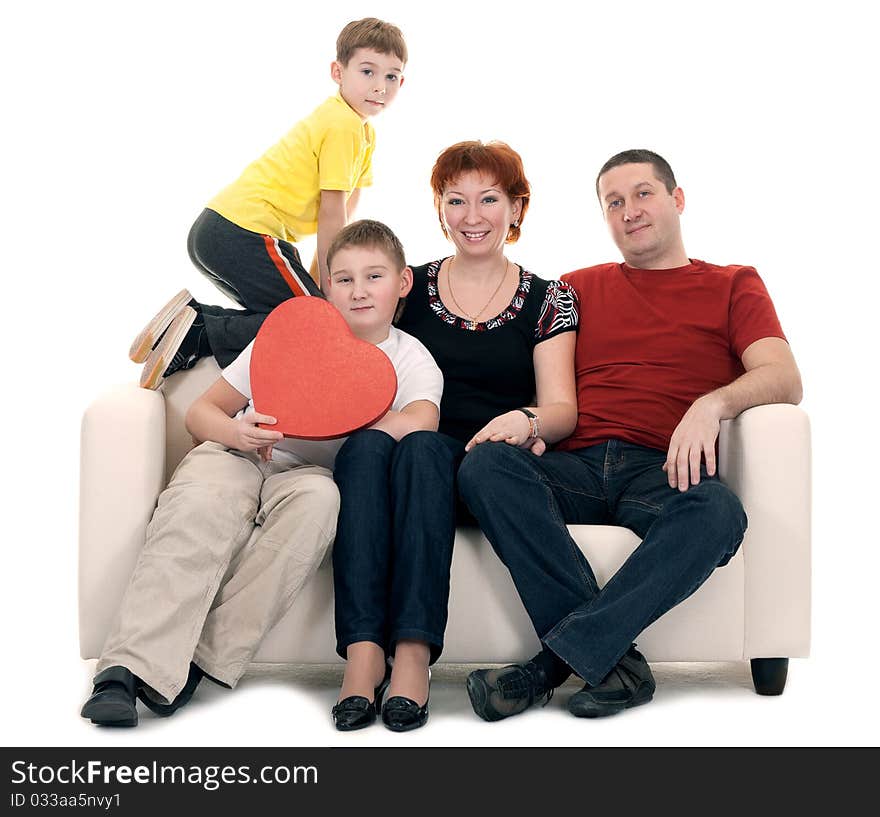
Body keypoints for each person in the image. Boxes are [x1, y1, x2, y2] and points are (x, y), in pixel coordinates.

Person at [458, 149, 803, 720]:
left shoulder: (732, 284)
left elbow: (784, 377)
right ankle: (612, 664)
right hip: (577, 464)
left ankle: (547, 670)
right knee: (484, 466)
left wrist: (712, 403)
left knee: (717, 513)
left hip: (665, 469)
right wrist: (533, 421)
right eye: (613, 202)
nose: (630, 211)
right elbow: (546, 388)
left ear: (677, 199)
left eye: (643, 194)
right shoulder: (576, 287)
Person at [80, 220, 442, 727]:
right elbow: (201, 413)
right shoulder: (294, 336)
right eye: (343, 279)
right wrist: (238, 433)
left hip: (310, 479)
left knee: (320, 507)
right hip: (239, 453)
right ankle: (122, 670)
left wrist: (342, 410)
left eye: (374, 277)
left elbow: (422, 423)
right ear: (325, 286)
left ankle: (198, 663)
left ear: (401, 283)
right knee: (200, 509)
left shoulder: (410, 358)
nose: (359, 291)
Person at [333, 140, 578, 731]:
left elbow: (562, 408)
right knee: (383, 444)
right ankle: (363, 656)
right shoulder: (404, 286)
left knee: (420, 449)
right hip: (404, 464)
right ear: (439, 208)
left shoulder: (549, 298)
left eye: (489, 199)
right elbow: (327, 324)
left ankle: (413, 658)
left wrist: (529, 420)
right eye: (456, 200)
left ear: (516, 208)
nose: (472, 216)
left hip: (495, 472)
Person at [129, 18, 407, 390]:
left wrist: (320, 285)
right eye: (368, 71)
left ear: (401, 83)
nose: (379, 86)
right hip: (242, 231)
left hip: (219, 229)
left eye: (391, 77)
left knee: (292, 317)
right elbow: (331, 214)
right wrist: (328, 287)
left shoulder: (361, 132)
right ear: (337, 72)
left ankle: (191, 322)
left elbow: (342, 216)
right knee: (316, 322)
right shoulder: (343, 126)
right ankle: (199, 330)